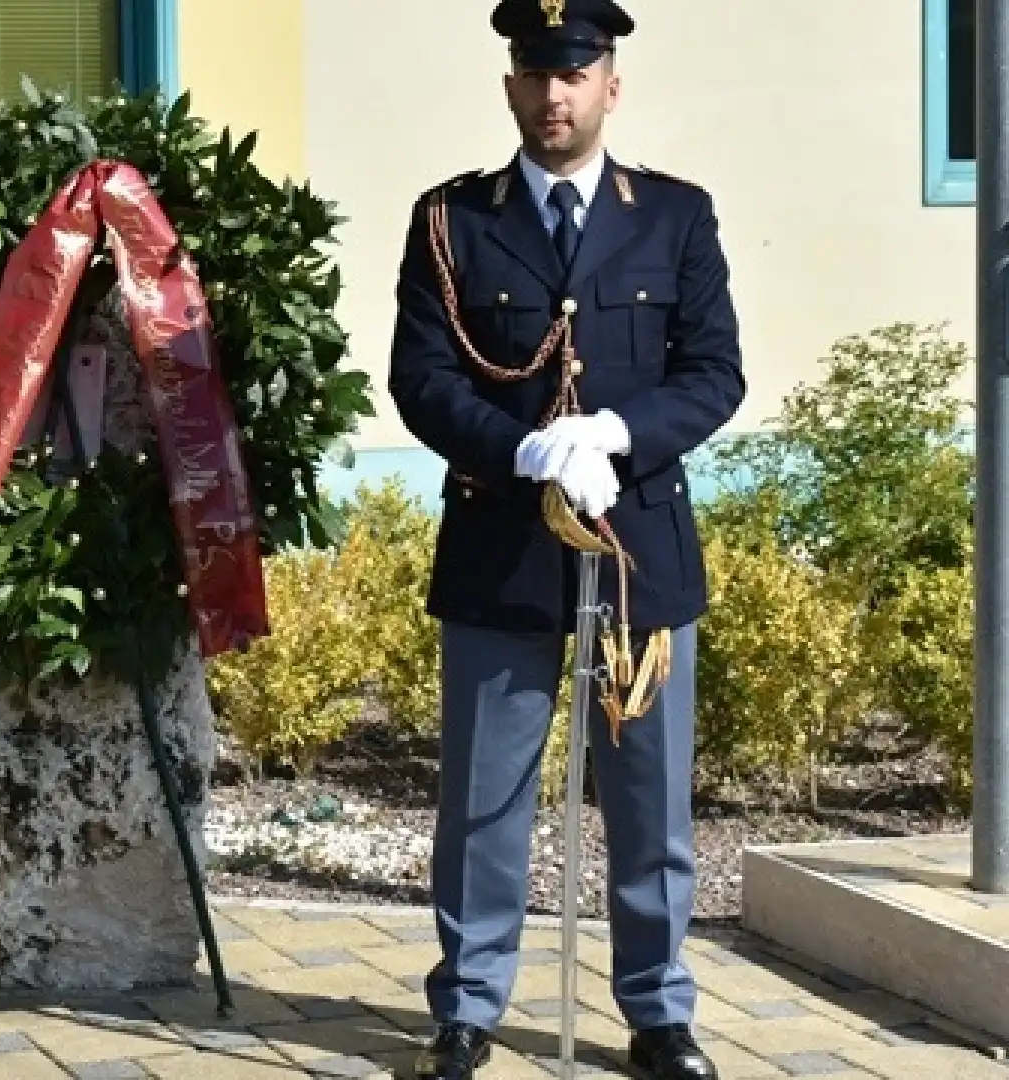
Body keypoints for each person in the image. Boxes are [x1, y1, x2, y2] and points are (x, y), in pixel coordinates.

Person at [386, 1, 746, 1078]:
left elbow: (716, 371)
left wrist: (623, 433)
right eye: (537, 73)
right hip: (503, 547)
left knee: (649, 802)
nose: (556, 94)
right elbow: (422, 377)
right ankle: (468, 1007)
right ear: (510, 86)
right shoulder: (454, 219)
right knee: (485, 802)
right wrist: (523, 448)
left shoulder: (673, 217)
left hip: (637, 555)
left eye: (576, 72)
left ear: (611, 85)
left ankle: (658, 1011)